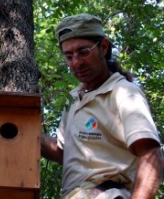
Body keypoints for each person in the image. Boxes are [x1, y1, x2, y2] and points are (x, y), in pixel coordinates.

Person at [41, 13, 163, 199]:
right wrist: (23, 134)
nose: (76, 63)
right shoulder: (74, 98)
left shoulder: (123, 92)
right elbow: (64, 152)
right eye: (69, 56)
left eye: (83, 52)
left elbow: (151, 154)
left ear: (103, 47)